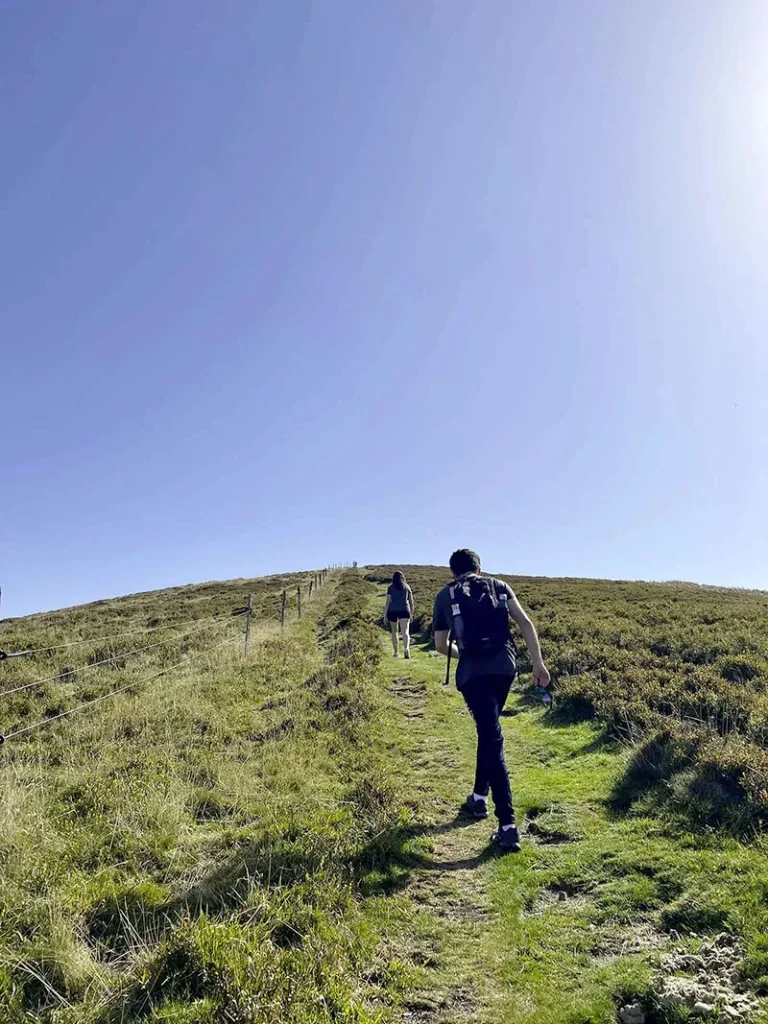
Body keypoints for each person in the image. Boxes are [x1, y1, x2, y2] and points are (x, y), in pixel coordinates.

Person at [433, 548, 551, 852]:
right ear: (479, 569)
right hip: (505, 669)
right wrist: (538, 664)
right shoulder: (499, 586)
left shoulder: (445, 596)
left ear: (453, 572)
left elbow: (440, 644)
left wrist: (463, 655)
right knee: (489, 733)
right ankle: (478, 798)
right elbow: (525, 623)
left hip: (472, 672)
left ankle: (508, 825)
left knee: (491, 737)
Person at [384, 571, 414, 659]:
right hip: (405, 610)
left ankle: (396, 652)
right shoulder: (407, 587)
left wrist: (385, 614)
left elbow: (388, 602)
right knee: (405, 632)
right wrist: (411, 613)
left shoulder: (390, 588)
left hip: (393, 611)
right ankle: (406, 649)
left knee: (394, 632)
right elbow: (411, 602)